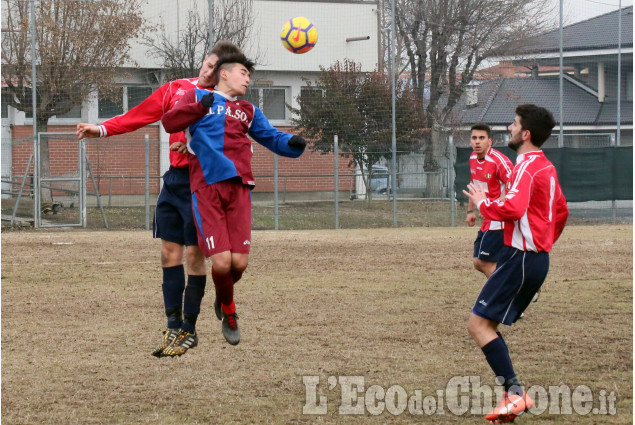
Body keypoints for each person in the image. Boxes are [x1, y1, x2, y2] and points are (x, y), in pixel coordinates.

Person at [76, 41, 243, 358]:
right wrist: (99, 129)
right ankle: (173, 324)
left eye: (214, 68)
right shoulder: (175, 90)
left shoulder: (229, 104)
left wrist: (194, 149)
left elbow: (233, 148)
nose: (207, 71)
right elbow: (139, 115)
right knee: (169, 253)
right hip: (175, 181)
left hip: (203, 184)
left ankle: (190, 330)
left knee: (195, 256)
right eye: (206, 64)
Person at [161, 53, 306, 346]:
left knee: (238, 265)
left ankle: (222, 295)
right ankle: (229, 311)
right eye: (243, 72)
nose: (247, 79)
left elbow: (271, 136)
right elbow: (169, 120)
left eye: (249, 75)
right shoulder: (197, 95)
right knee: (222, 262)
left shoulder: (248, 110)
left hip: (240, 188)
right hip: (207, 187)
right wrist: (198, 108)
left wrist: (292, 144)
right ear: (224, 74)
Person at [462, 104, 569, 424]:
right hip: (531, 259)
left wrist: (484, 204)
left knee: (478, 325)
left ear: (525, 134)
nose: (508, 128)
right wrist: (543, 244)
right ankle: (512, 395)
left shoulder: (525, 166)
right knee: (486, 324)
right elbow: (561, 211)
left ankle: (515, 394)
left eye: (513, 124)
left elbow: (514, 206)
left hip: (523, 259)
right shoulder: (545, 167)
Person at [466, 123, 513, 279]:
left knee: (481, 261)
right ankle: (521, 287)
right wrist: (471, 210)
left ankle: (506, 293)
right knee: (482, 262)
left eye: (482, 138)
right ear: (470, 141)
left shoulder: (499, 161)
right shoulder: (473, 158)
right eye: (474, 138)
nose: (477, 141)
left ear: (490, 141)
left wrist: (490, 206)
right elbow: (475, 185)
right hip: (489, 217)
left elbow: (514, 188)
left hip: (500, 218)